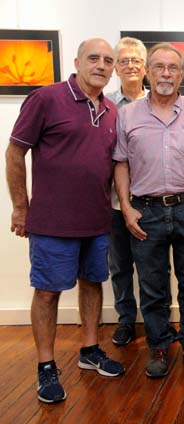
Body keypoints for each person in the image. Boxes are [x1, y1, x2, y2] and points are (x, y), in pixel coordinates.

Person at [6, 38, 125, 404]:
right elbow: (14, 153)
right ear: (77, 62)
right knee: (47, 292)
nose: (101, 65)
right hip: (52, 222)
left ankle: (90, 349)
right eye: (94, 58)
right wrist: (21, 207)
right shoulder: (46, 98)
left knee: (92, 283)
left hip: (96, 219)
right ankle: (46, 366)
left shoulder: (111, 110)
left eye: (108, 60)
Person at [113, 43, 184, 378]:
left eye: (173, 68)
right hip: (146, 212)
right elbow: (120, 163)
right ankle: (159, 345)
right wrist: (126, 209)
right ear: (147, 72)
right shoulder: (127, 115)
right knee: (152, 285)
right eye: (158, 67)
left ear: (181, 74)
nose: (165, 73)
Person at [106, 36, 157, 346]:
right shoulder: (105, 104)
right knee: (120, 265)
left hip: (151, 200)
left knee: (153, 267)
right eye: (123, 61)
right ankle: (126, 320)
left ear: (145, 67)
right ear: (115, 67)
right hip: (114, 200)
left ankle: (155, 322)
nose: (130, 66)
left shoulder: (158, 102)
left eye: (136, 61)